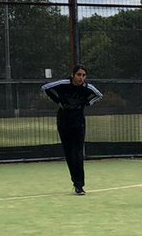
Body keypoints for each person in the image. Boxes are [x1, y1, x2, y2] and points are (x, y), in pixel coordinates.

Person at [42, 65, 102, 195]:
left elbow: (98, 95)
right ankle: (75, 181)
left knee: (78, 153)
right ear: (73, 75)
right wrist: (58, 101)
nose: (81, 78)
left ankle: (79, 185)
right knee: (69, 153)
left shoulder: (87, 88)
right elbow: (45, 88)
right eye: (79, 75)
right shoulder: (63, 84)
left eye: (83, 75)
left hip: (78, 122)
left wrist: (86, 103)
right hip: (63, 121)